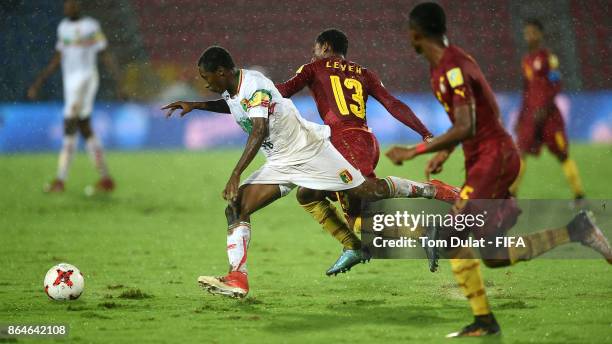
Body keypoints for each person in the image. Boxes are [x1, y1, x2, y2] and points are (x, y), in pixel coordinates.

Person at [386, 2, 612, 337]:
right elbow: (472, 118)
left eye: (409, 31)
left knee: (450, 234)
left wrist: (415, 149)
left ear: (416, 33)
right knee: (493, 255)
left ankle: (485, 322)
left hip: (494, 158)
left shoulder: (452, 68)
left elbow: (467, 124)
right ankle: (577, 231)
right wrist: (446, 151)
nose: (409, 37)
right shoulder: (449, 65)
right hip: (486, 157)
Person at [162, 46, 440, 299]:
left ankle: (426, 191)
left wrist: (236, 174)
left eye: (206, 76)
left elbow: (258, 130)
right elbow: (234, 106)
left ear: (221, 72)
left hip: (310, 152)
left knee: (367, 191)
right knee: (236, 207)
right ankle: (238, 278)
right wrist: (196, 105)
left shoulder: (255, 85)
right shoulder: (232, 89)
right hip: (281, 162)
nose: (205, 82)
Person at [276, 29, 459, 275]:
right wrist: (424, 132)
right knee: (310, 194)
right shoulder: (364, 73)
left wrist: (250, 91)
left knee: (364, 198)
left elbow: (283, 91)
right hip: (362, 140)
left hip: (345, 142)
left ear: (326, 47)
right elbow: (392, 103)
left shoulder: (313, 68)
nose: (313, 55)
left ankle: (432, 193)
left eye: (315, 49)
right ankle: (376, 242)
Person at [28, 0, 121, 194]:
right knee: (84, 128)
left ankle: (60, 180)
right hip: (70, 83)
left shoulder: (91, 26)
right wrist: (39, 82)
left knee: (69, 124)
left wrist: (118, 81)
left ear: (79, 5)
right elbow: (58, 57)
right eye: (66, 4)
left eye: (72, 3)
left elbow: (104, 54)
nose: (68, 7)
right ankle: (106, 179)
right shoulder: (63, 28)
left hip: (86, 80)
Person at [509, 18, 586, 205]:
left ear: (540, 34)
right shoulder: (526, 61)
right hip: (530, 116)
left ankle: (579, 195)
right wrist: (521, 116)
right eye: (527, 33)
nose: (529, 36)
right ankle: (511, 194)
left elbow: (556, 84)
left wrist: (544, 108)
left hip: (549, 116)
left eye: (533, 32)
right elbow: (526, 91)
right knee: (521, 152)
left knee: (562, 154)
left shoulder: (548, 58)